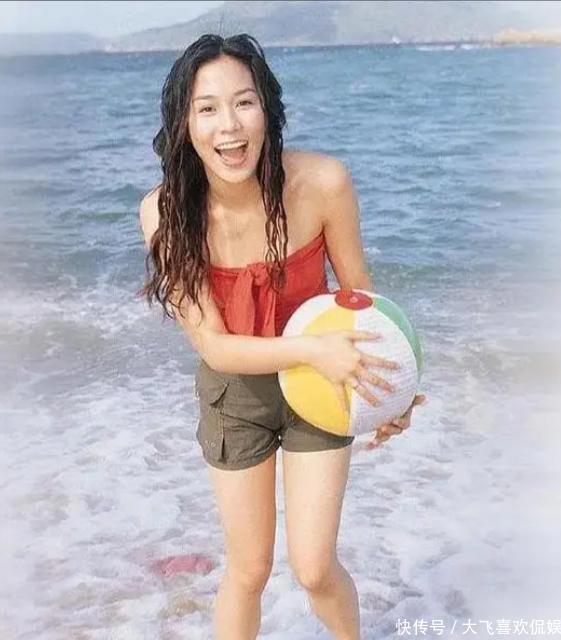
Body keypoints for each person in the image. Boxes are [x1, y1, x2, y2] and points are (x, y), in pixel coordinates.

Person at [138, 33, 426, 640]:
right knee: (249, 570)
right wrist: (312, 350)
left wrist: (393, 395)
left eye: (244, 102)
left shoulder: (323, 183)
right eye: (207, 108)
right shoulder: (165, 213)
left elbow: (362, 302)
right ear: (185, 124)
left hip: (322, 383)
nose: (229, 125)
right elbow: (214, 346)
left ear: (267, 108)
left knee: (315, 568)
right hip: (236, 394)